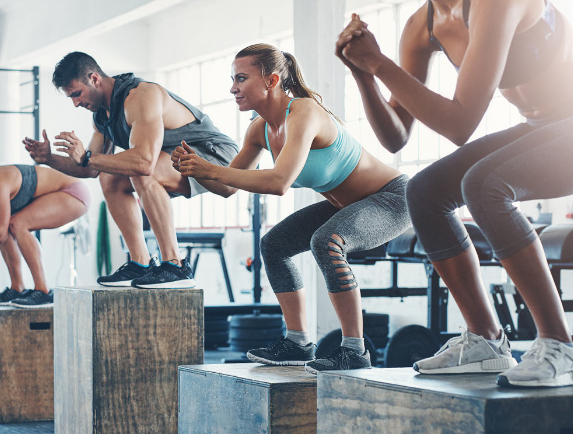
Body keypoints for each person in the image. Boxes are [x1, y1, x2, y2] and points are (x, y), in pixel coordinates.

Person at [335, 0, 573, 387]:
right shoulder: (420, 26)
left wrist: (378, 62)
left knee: (485, 184)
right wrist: (363, 74)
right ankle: (486, 339)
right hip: (548, 124)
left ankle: (565, 347)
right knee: (425, 191)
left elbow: (461, 121)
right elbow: (396, 135)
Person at [173, 43, 411, 373]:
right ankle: (298, 342)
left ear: (271, 81)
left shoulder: (304, 112)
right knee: (274, 245)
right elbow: (228, 187)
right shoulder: (259, 130)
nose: (232, 88)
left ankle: (355, 350)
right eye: (232, 79)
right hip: (347, 204)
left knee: (326, 241)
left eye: (241, 78)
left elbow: (279, 182)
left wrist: (210, 168)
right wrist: (192, 169)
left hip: (392, 198)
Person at [23, 52, 239, 289]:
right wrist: (49, 158)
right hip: (176, 159)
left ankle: (175, 266)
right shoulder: (100, 117)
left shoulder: (140, 96)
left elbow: (143, 162)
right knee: (110, 179)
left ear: (94, 78)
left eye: (77, 94)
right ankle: (140, 262)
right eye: (71, 98)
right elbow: (91, 168)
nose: (76, 103)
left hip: (217, 156)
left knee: (140, 169)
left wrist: (87, 156)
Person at [0, 150, 90, 307]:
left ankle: (43, 290)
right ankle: (17, 287)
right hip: (66, 195)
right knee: (7, 227)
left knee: (17, 224)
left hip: (73, 193)